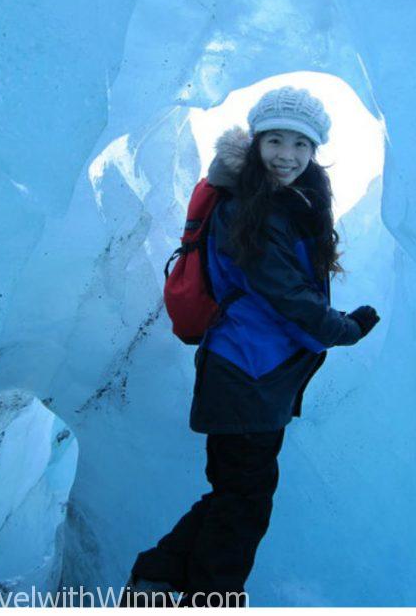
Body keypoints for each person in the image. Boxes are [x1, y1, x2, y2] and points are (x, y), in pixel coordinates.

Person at [125, 86, 380, 607]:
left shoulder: (283, 201)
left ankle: (158, 578)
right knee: (244, 501)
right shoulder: (252, 209)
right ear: (257, 141)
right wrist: (347, 328)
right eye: (276, 140)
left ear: (315, 151)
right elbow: (288, 299)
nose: (288, 155)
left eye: (301, 145)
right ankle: (206, 594)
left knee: (236, 495)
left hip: (249, 373)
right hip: (244, 375)